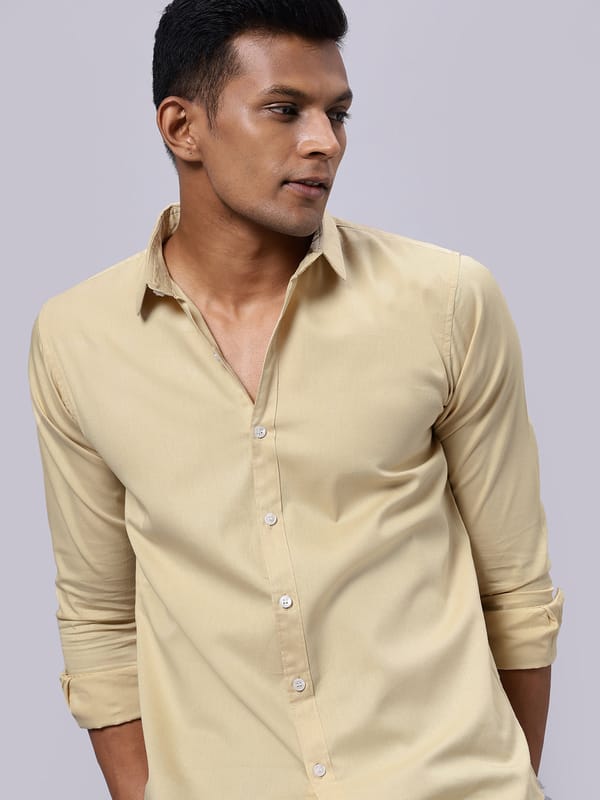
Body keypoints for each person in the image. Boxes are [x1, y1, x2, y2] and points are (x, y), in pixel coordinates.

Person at [28, 1, 563, 798]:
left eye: (336, 113)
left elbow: (516, 593)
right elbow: (100, 626)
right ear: (182, 128)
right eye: (285, 110)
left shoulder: (447, 302)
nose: (325, 142)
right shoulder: (78, 340)